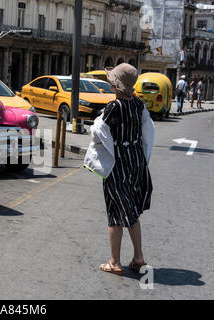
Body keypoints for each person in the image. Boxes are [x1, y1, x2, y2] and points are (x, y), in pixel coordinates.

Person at [84, 63, 155, 275]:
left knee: (115, 212)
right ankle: (138, 257)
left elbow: (98, 132)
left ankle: (115, 262)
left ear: (116, 86)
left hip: (119, 163)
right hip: (136, 160)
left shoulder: (114, 107)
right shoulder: (138, 104)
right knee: (131, 210)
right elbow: (146, 129)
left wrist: (100, 118)